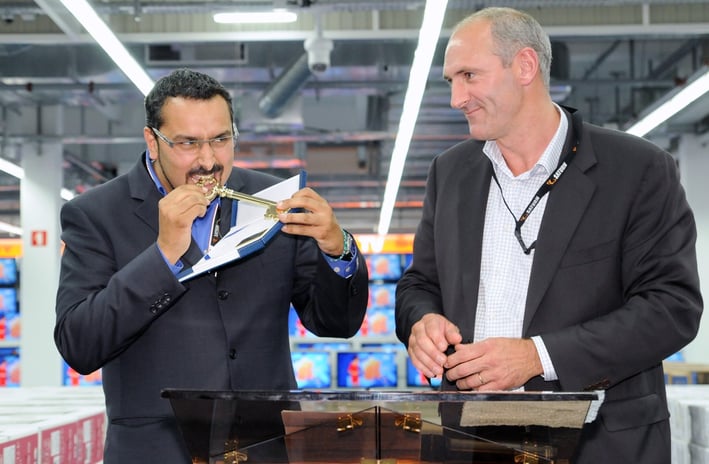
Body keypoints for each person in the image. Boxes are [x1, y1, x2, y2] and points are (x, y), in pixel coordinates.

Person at [395, 7, 702, 464]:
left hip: (599, 445)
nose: (457, 98)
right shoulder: (451, 173)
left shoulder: (636, 169)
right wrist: (422, 322)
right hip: (472, 441)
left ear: (525, 66)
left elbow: (671, 308)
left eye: (469, 76)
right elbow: (419, 284)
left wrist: (538, 356)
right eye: (451, 81)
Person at [54, 68, 369, 463]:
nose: (208, 160)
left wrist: (338, 249)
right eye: (188, 143)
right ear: (153, 141)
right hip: (158, 453)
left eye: (221, 139)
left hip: (265, 450)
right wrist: (162, 256)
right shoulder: (96, 214)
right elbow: (79, 345)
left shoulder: (274, 201)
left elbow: (336, 323)